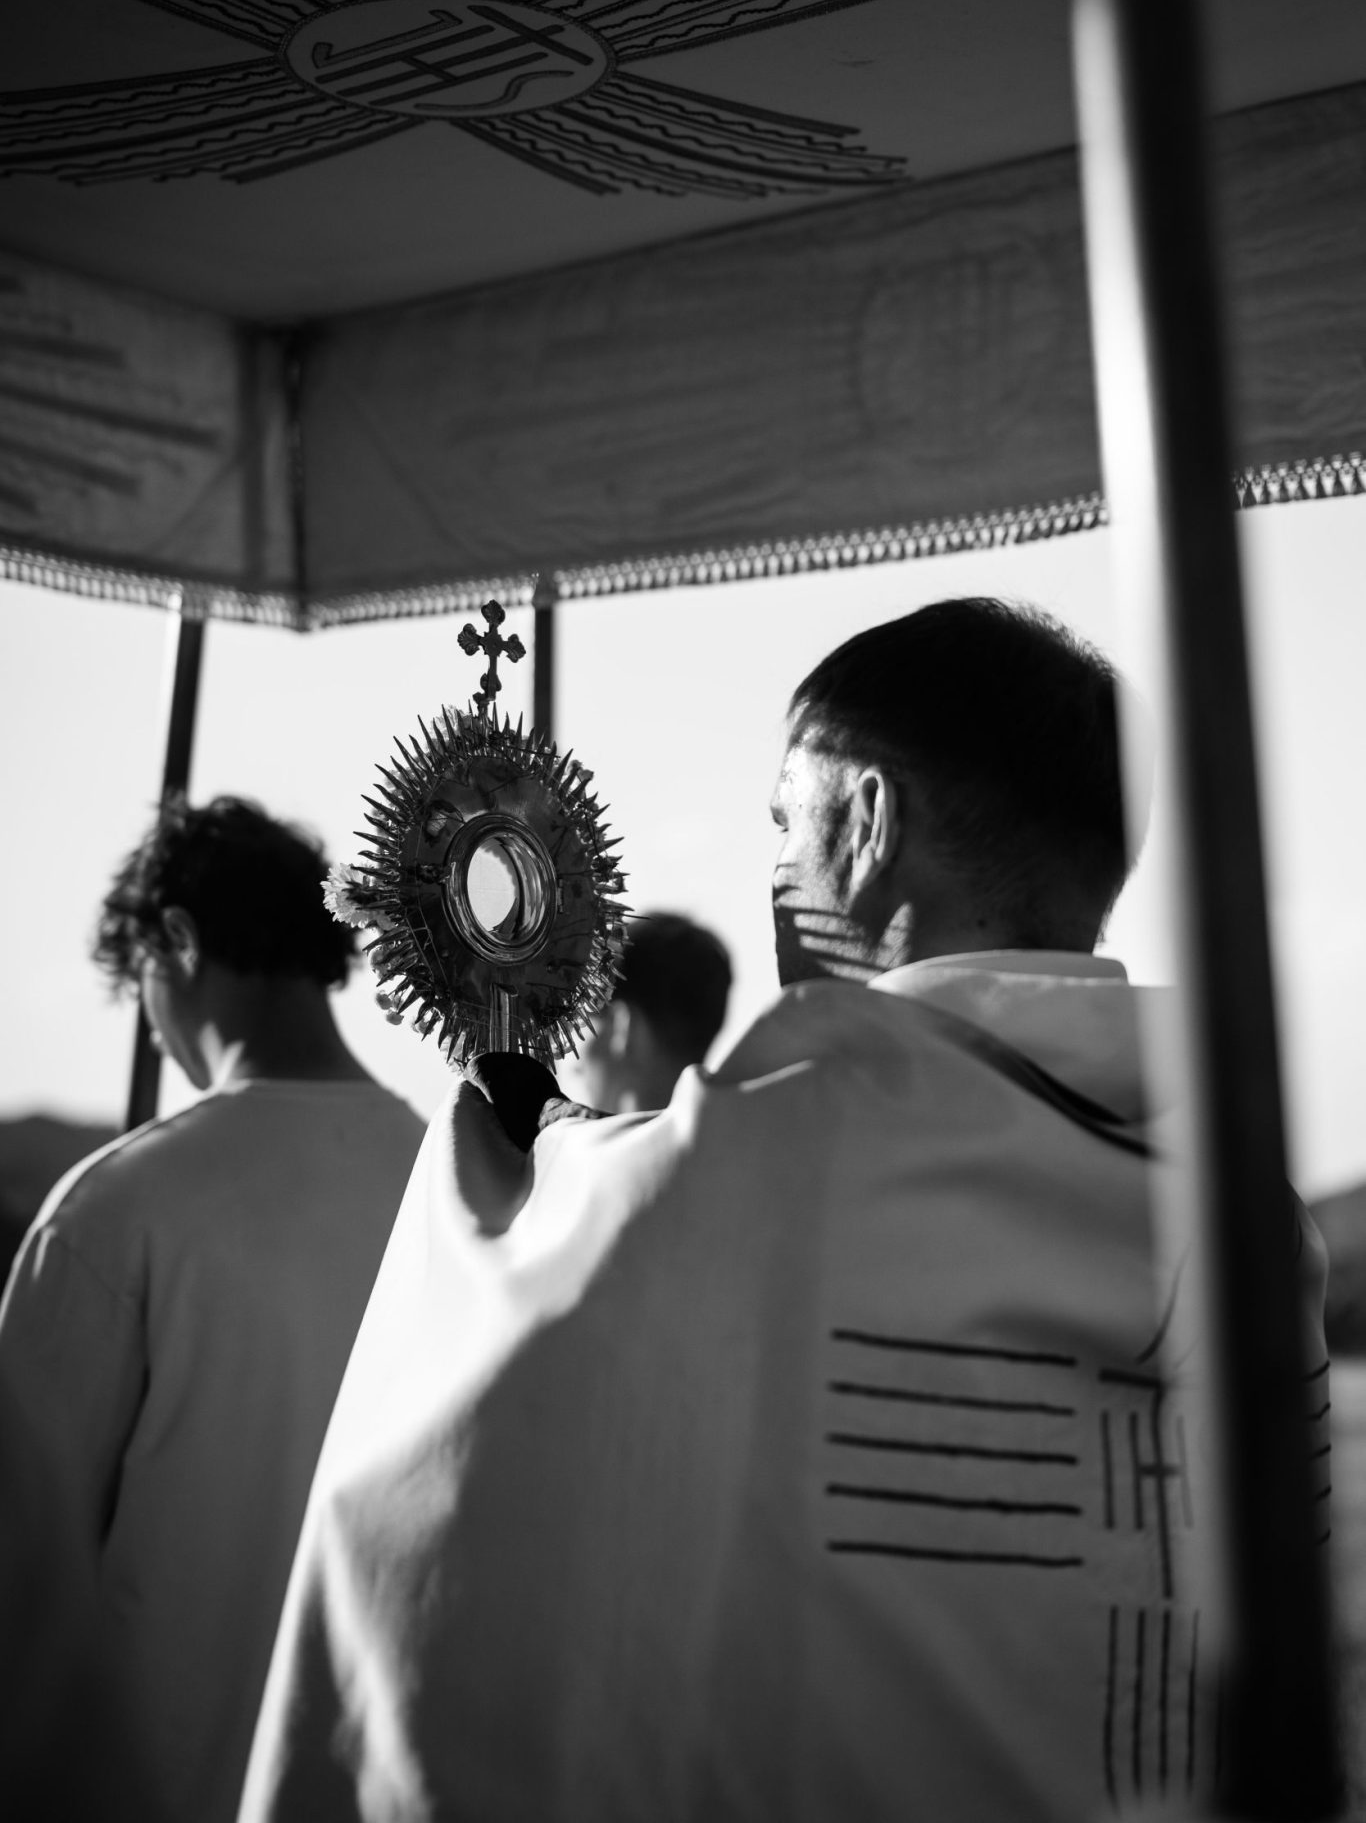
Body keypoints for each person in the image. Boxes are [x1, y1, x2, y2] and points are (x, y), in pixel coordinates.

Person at [240, 602, 1330, 1823]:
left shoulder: (766, 1164)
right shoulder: (1257, 1222)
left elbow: (428, 1497)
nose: (771, 865)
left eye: (779, 819)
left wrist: (506, 1099)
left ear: (864, 822)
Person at [0, 796, 423, 1823]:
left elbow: (19, 1574)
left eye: (140, 983)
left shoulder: (114, 1212)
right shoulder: (461, 1191)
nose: (151, 1023)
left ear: (178, 942)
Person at [562, 910, 732, 1113]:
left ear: (624, 1026)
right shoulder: (742, 1127)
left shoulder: (561, 1130)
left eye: (583, 1020)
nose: (571, 1061)